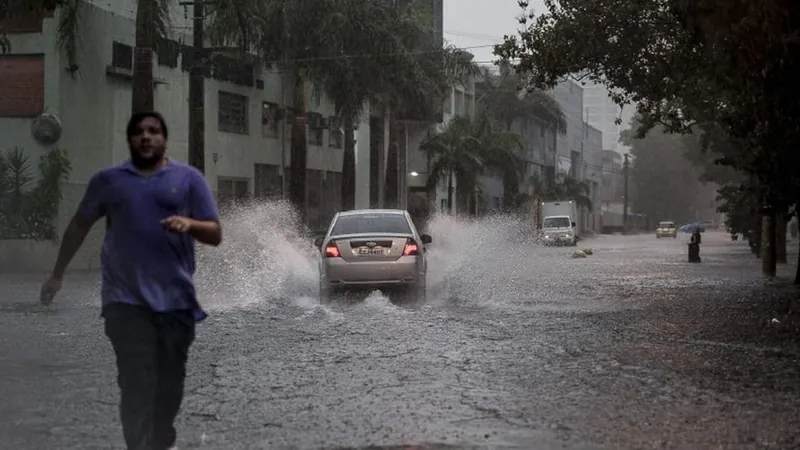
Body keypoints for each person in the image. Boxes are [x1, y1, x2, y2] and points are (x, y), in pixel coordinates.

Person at [39, 111, 222, 450]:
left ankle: (161, 437)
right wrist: (57, 273)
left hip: (176, 303)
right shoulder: (108, 181)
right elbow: (79, 225)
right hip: (124, 303)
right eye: (139, 132)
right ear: (130, 140)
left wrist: (190, 224)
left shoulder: (189, 179)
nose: (146, 136)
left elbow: (215, 233)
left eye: (154, 131)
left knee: (168, 388)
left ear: (164, 139)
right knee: (137, 383)